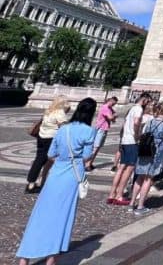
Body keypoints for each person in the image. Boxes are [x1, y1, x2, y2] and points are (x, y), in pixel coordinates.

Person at [16, 98, 97, 265]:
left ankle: (24, 258)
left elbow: (51, 153)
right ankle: (51, 259)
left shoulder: (63, 129)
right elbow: (87, 156)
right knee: (62, 218)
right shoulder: (89, 131)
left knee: (40, 215)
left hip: (55, 175)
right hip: (71, 177)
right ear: (91, 113)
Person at [130, 104, 163, 215]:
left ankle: (131, 204)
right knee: (148, 179)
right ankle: (140, 206)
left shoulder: (150, 121)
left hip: (144, 150)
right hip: (156, 153)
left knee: (139, 177)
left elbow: (143, 132)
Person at [107, 93, 152, 205]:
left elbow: (125, 124)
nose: (148, 104)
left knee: (121, 167)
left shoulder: (131, 109)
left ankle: (112, 194)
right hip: (132, 141)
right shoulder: (138, 109)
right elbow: (136, 122)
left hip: (125, 140)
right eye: (148, 101)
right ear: (144, 100)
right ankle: (119, 195)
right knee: (129, 169)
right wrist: (137, 135)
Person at [26, 96, 70, 194]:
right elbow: (63, 127)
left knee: (39, 160)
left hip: (41, 137)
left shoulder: (48, 111)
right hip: (51, 139)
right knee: (51, 160)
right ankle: (42, 182)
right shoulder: (59, 112)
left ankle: (31, 183)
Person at [86, 96, 117, 171]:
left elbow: (112, 116)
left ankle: (90, 163)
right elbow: (110, 117)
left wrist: (113, 116)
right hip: (101, 129)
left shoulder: (109, 108)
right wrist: (114, 116)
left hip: (104, 128)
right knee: (96, 147)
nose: (114, 105)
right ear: (110, 101)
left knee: (98, 147)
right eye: (113, 103)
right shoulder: (105, 108)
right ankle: (87, 164)